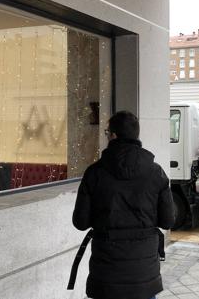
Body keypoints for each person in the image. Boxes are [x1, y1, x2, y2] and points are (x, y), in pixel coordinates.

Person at [70, 111, 174, 299]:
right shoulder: (156, 173)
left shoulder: (94, 173)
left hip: (106, 276)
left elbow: (80, 222)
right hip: (144, 276)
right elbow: (168, 221)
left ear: (114, 135)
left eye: (107, 132)